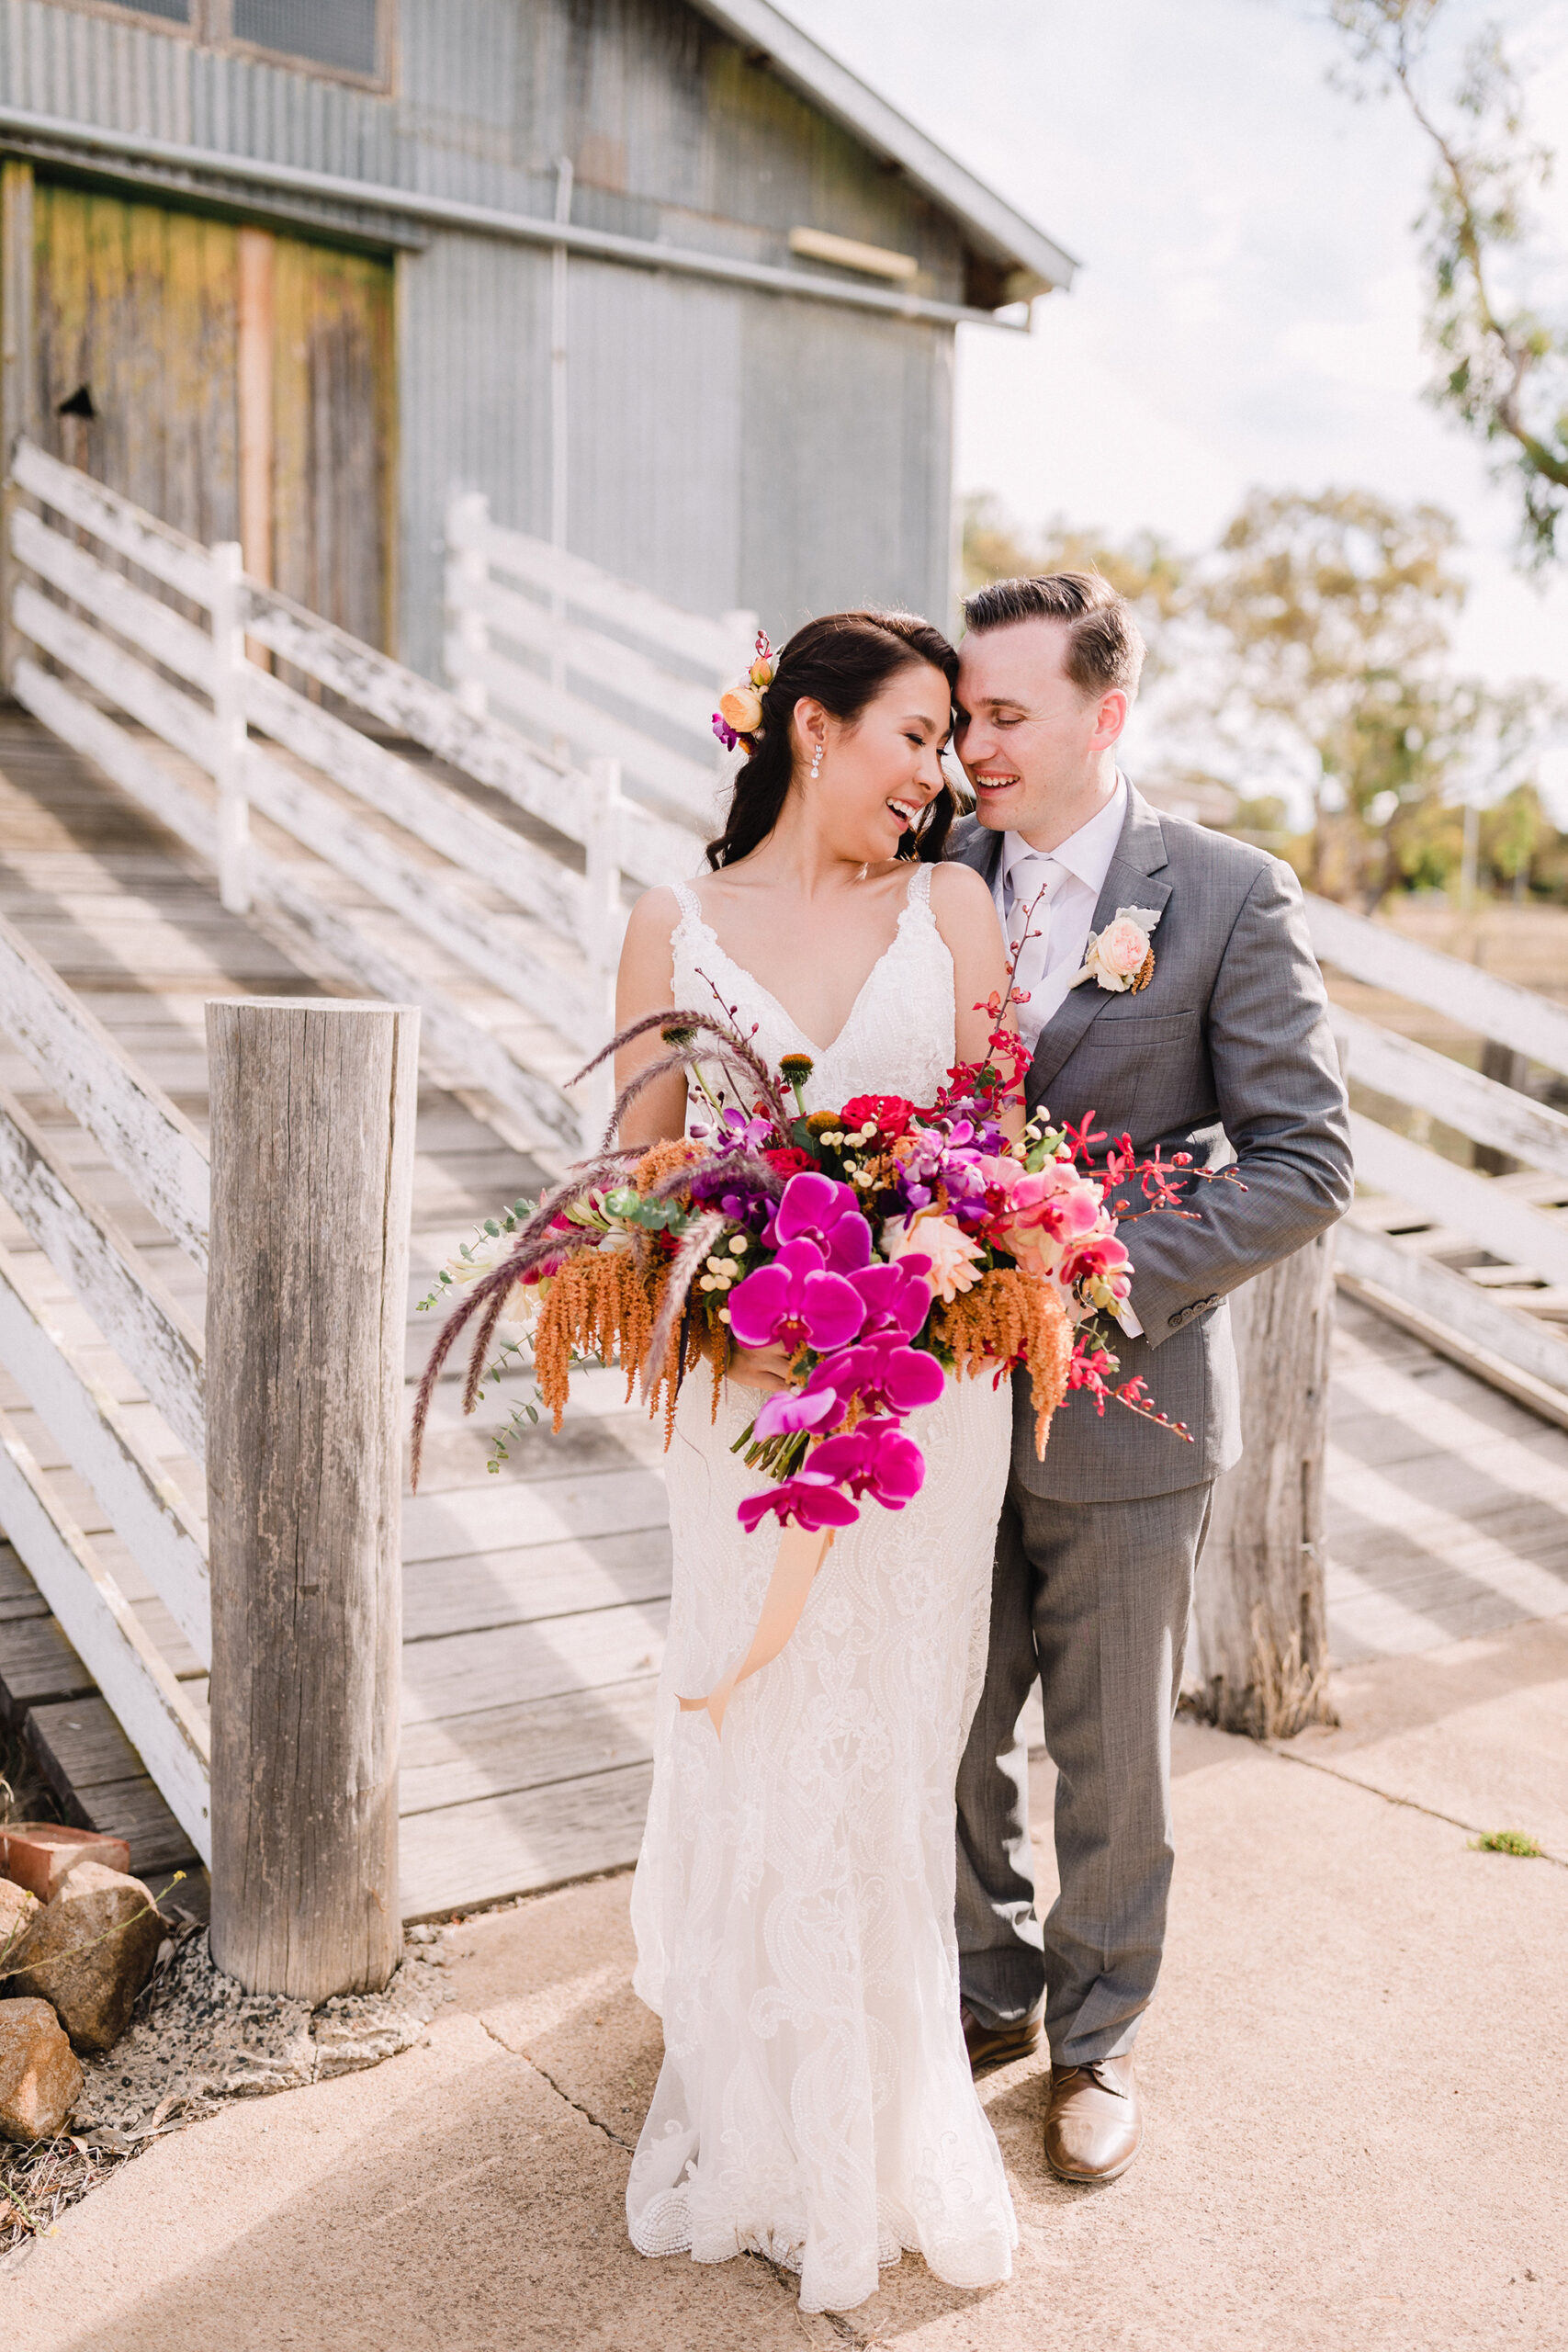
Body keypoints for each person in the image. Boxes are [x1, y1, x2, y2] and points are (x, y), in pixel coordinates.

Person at [612, 610, 1022, 2316]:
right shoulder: (673, 921)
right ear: (807, 730)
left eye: (949, 745)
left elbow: (1002, 1148)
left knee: (890, 1752)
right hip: (747, 1406)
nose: (941, 777)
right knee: (765, 1724)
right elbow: (636, 1173)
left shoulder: (955, 909)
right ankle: (764, 2127)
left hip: (926, 1410)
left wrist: (939, 1250)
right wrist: (719, 1283)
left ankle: (891, 2117)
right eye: (916, 737)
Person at [946, 571, 1353, 2185]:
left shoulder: (1232, 894)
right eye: (963, 712)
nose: (971, 743)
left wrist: (1094, 1263)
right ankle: (981, 1994)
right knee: (944, 1723)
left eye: (1002, 713)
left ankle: (1099, 2043)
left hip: (1129, 1394)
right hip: (934, 1397)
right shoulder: (933, 872)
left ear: (1104, 717)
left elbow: (1307, 1162)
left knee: (1112, 1752)